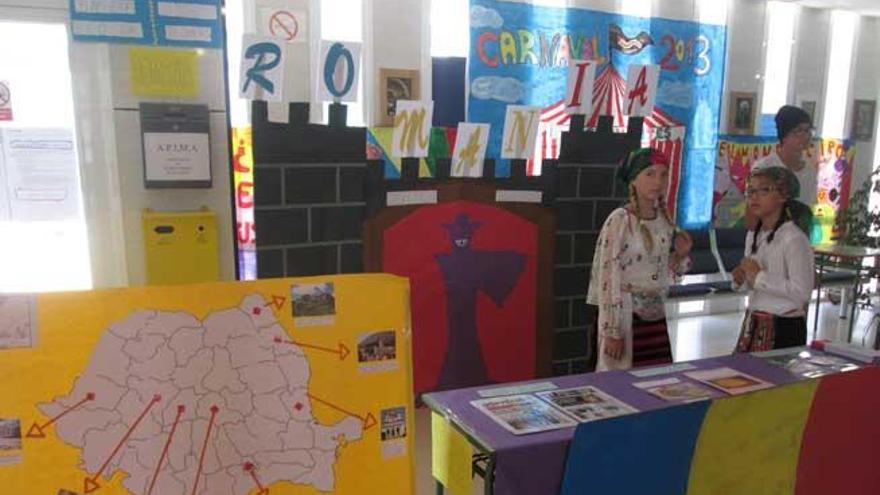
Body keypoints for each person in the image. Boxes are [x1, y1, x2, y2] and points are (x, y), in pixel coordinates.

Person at [587, 148, 693, 371]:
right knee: (620, 385)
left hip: (654, 316)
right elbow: (608, 276)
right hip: (625, 315)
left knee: (655, 380)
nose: (658, 181)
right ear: (633, 180)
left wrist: (679, 256)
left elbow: (661, 273)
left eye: (663, 174)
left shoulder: (664, 220)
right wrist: (612, 330)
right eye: (650, 174)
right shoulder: (620, 220)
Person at [733, 166, 815, 352]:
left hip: (784, 326)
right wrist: (742, 279)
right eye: (751, 191)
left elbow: (803, 292)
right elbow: (753, 285)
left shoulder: (794, 238)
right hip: (753, 322)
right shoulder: (753, 234)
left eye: (764, 190)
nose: (754, 197)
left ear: (783, 195)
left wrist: (759, 276)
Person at [752, 105, 816, 205]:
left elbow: (809, 208)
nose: (805, 136)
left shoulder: (810, 171)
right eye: (798, 131)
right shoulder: (764, 167)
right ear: (784, 136)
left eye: (808, 130)